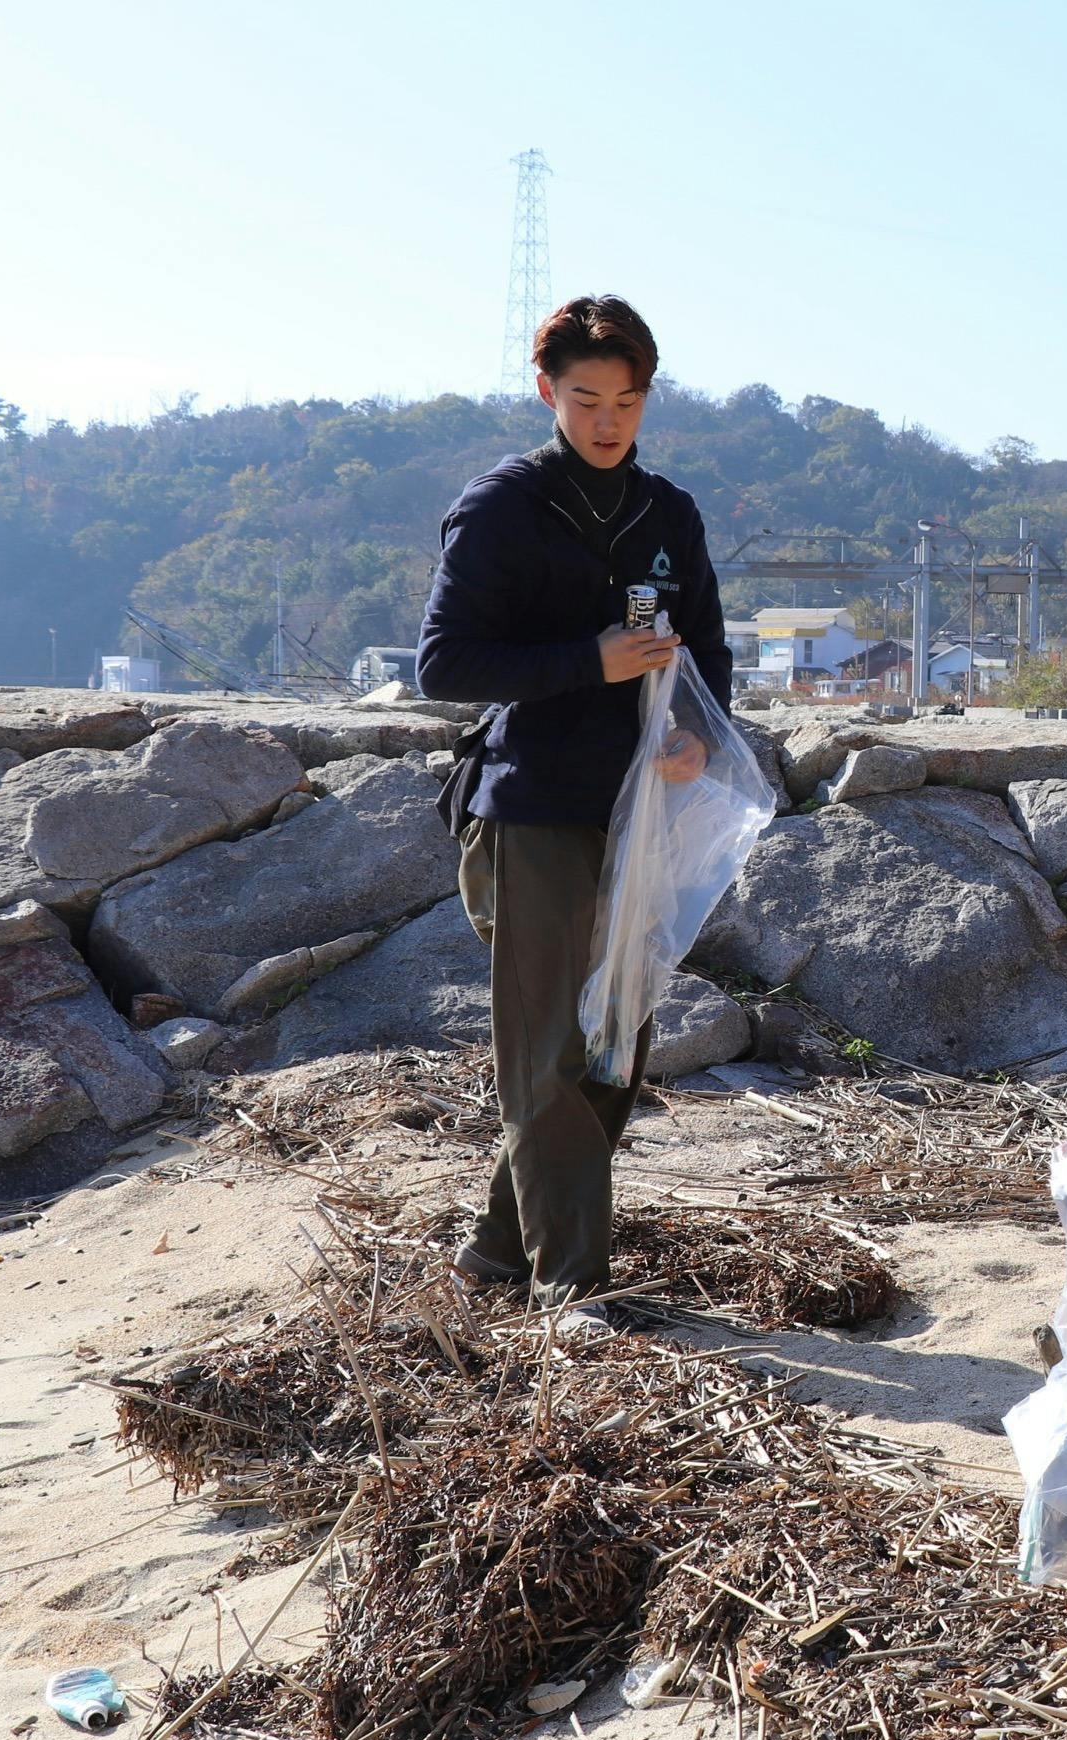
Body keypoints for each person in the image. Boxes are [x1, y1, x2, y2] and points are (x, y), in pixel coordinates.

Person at [415, 294, 732, 1310]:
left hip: (643, 810)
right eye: (587, 399)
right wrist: (585, 662)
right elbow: (444, 665)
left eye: (627, 403)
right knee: (547, 1054)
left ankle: (497, 1256)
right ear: (548, 391)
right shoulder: (502, 507)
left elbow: (711, 656)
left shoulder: (667, 514)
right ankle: (573, 1292)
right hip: (533, 805)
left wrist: (692, 733)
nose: (607, 422)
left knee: (612, 1048)